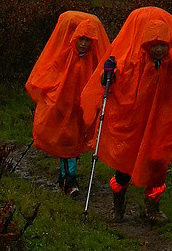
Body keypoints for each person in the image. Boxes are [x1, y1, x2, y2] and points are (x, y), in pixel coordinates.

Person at [80, 6, 172, 223]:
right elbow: (114, 80)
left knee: (157, 165)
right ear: (146, 44)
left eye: (162, 45)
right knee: (125, 165)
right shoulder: (132, 61)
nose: (158, 50)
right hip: (133, 122)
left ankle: (152, 208)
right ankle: (117, 206)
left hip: (160, 124)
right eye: (154, 45)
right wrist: (107, 75)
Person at [25, 10, 110, 195]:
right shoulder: (64, 55)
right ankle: (68, 179)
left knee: (73, 140)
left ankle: (66, 179)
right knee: (65, 140)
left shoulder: (93, 59)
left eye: (88, 40)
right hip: (62, 105)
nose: (83, 44)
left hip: (80, 109)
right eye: (80, 39)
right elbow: (48, 72)